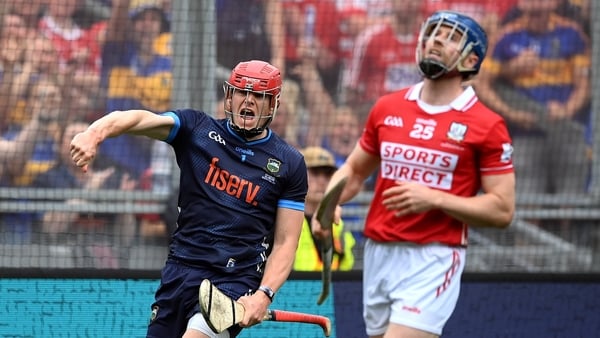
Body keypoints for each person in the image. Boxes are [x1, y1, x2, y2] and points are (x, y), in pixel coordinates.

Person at [312, 11, 515, 338]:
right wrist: (326, 205)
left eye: (450, 36)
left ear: (472, 58)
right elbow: (353, 170)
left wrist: (434, 198)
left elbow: (502, 209)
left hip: (433, 256)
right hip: (379, 251)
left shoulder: (487, 124)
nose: (436, 40)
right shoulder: (388, 107)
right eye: (433, 33)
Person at [69, 60, 308, 338]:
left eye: (259, 96)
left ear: (273, 105)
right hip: (180, 269)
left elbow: (286, 242)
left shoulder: (289, 163)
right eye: (242, 92)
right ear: (229, 96)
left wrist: (264, 294)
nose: (249, 101)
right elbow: (138, 119)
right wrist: (94, 134)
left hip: (233, 279)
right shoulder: (198, 130)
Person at [474, 0, 590, 197]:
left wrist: (567, 109)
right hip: (527, 132)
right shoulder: (506, 36)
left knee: (570, 199)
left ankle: (564, 229)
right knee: (528, 200)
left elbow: (585, 85)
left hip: (567, 130)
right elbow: (482, 84)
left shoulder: (572, 33)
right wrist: (512, 114)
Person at [294, 146, 355, 271]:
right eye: (315, 173)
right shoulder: (285, 221)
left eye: (327, 174)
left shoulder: (338, 225)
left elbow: (347, 270)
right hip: (293, 288)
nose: (322, 181)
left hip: (332, 289)